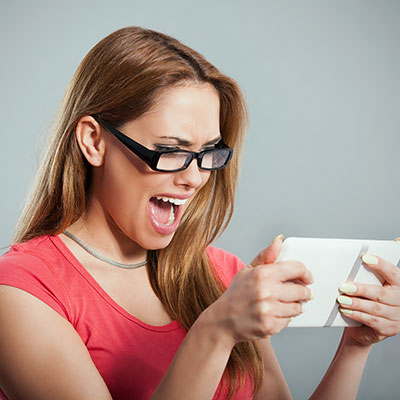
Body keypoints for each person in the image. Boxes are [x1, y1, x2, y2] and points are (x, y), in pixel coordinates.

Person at [0, 26, 399, 400]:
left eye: (208, 153)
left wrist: (355, 347)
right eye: (170, 150)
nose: (194, 178)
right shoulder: (22, 292)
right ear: (93, 141)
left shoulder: (223, 276)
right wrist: (216, 330)